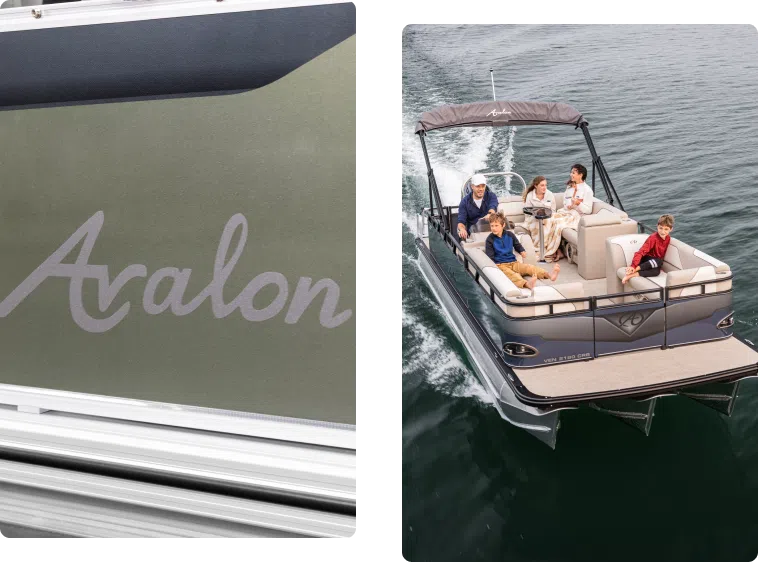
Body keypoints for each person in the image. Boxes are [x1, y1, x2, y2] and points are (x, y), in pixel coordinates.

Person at [484, 213, 560, 290]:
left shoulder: (510, 235)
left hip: (513, 262)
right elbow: (490, 257)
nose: (493, 228)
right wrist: (495, 268)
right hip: (501, 265)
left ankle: (549, 275)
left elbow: (517, 244)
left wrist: (522, 251)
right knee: (513, 275)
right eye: (492, 226)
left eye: (496, 225)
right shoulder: (490, 240)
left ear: (503, 225)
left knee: (529, 267)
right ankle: (527, 284)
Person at [540, 163, 594, 262]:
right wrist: (568, 206)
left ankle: (553, 251)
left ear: (581, 175)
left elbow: (588, 210)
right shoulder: (570, 188)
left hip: (576, 216)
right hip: (566, 212)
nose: (571, 174)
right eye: (571, 172)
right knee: (547, 219)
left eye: (574, 173)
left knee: (558, 224)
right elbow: (565, 202)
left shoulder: (587, 190)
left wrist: (578, 204)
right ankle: (553, 250)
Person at [622, 214, 674, 284]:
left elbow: (662, 254)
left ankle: (633, 274)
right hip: (645, 260)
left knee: (656, 272)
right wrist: (633, 266)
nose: (662, 231)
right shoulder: (653, 238)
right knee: (659, 261)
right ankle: (635, 269)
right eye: (660, 228)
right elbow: (640, 252)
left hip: (654, 263)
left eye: (666, 229)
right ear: (657, 226)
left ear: (671, 229)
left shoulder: (668, 239)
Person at [457, 173, 498, 241]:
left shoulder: (491, 196)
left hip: (491, 231)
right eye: (478, 186)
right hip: (474, 234)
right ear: (472, 186)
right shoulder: (464, 202)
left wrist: (490, 214)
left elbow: (493, 206)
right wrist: (462, 229)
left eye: (483, 186)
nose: (481, 189)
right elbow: (461, 221)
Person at [521, 175, 556, 252]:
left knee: (549, 224)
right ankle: (540, 248)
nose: (544, 187)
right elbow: (527, 212)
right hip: (533, 218)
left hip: (548, 218)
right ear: (536, 186)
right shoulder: (530, 195)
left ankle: (546, 249)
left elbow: (553, 211)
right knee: (536, 225)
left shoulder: (550, 194)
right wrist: (536, 213)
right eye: (542, 185)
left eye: (546, 185)